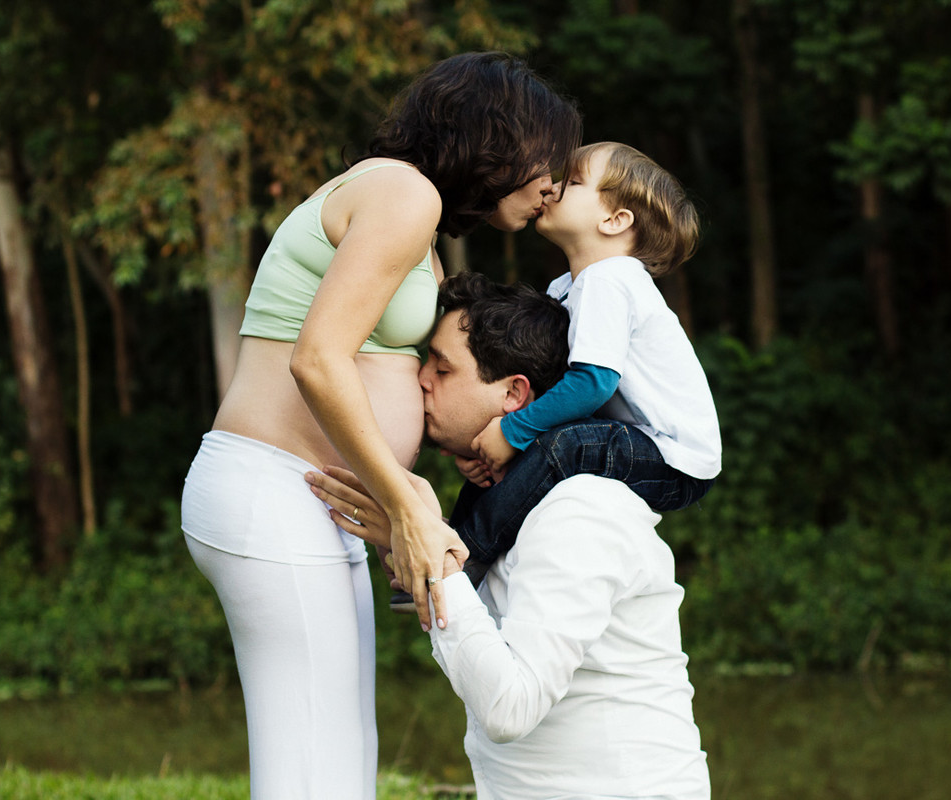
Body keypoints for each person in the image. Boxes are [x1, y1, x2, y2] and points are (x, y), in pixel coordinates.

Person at [179, 53, 581, 799]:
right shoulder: (401, 193)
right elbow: (319, 360)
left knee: (340, 759)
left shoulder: (405, 206)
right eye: (547, 156)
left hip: (306, 499)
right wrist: (404, 503)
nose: (556, 184)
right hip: (271, 489)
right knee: (311, 770)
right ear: (498, 136)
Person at [308, 272, 711, 799]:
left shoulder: (581, 509)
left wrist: (435, 554)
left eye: (442, 367)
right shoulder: (503, 505)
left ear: (514, 393)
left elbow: (508, 707)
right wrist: (408, 541)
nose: (420, 379)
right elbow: (471, 645)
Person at [453, 141, 721, 588]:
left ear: (615, 221)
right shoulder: (567, 286)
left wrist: (513, 432)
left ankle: (465, 558)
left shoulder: (611, 279)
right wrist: (484, 445)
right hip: (629, 437)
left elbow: (592, 384)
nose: (553, 188)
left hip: (674, 457)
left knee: (564, 445)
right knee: (548, 436)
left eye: (573, 182)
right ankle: (448, 539)